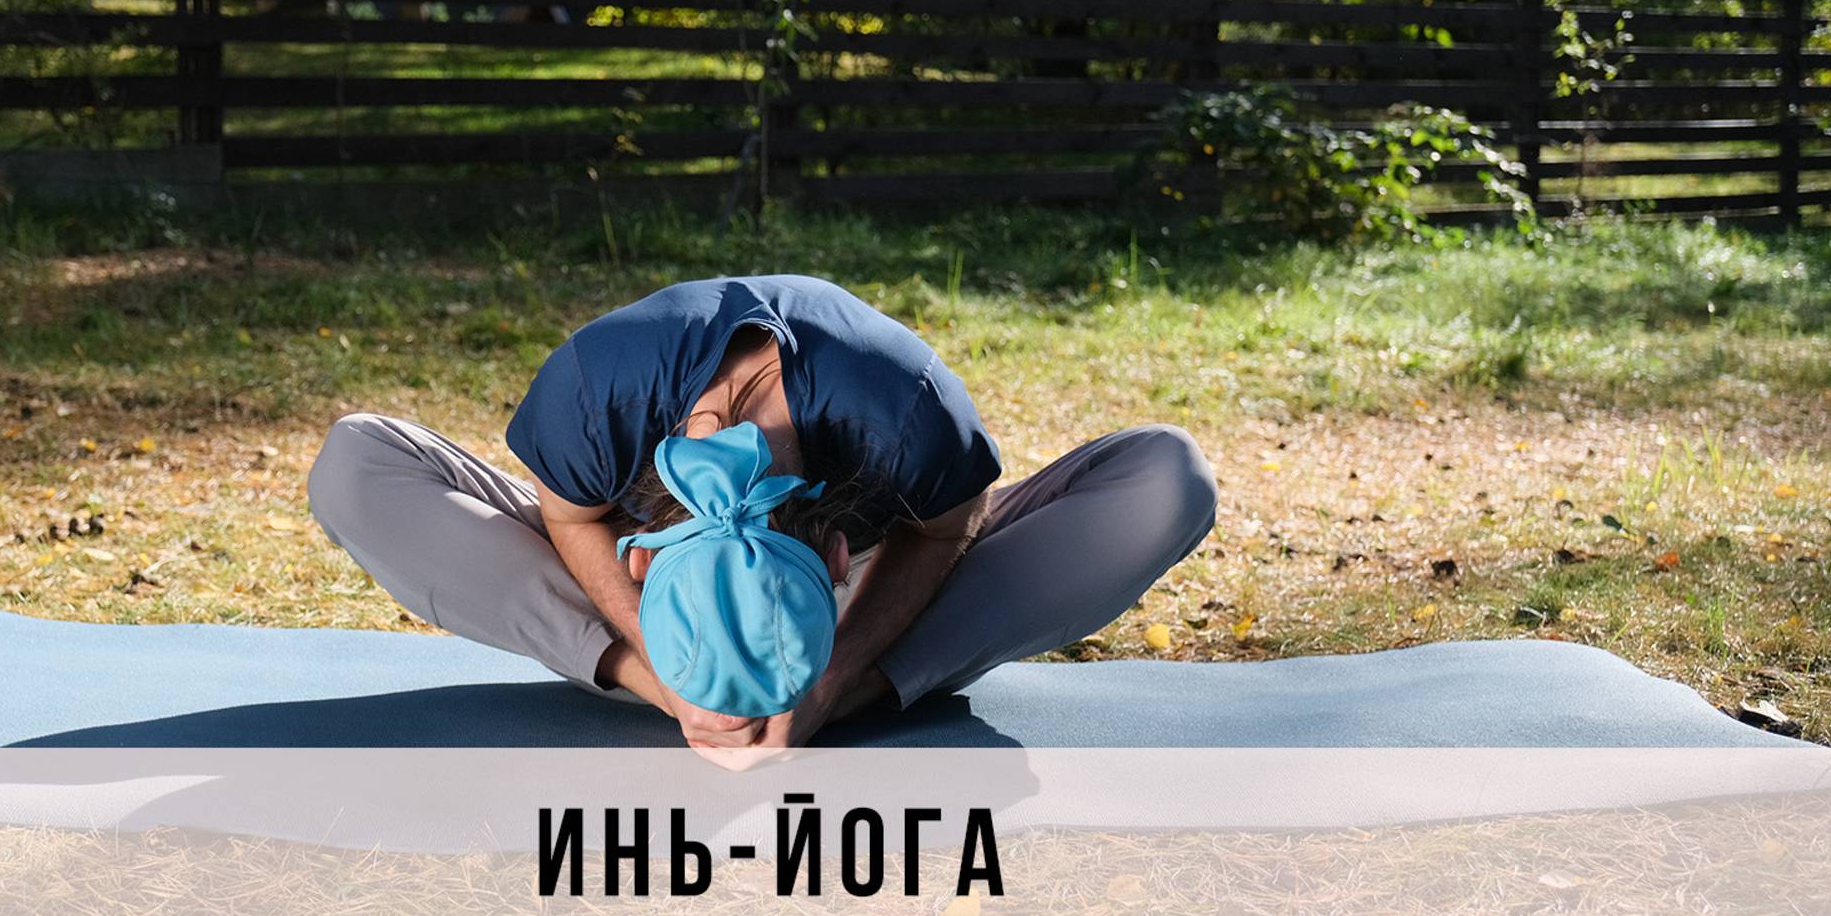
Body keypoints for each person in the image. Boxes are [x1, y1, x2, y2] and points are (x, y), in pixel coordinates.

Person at [308, 274, 1217, 764]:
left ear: (835, 558)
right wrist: (664, 673)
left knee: (1167, 479)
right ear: (642, 564)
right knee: (356, 464)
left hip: (894, 569)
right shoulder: (594, 392)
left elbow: (947, 527)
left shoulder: (905, 409)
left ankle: (849, 684)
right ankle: (668, 679)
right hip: (616, 590)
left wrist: (834, 677)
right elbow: (573, 520)